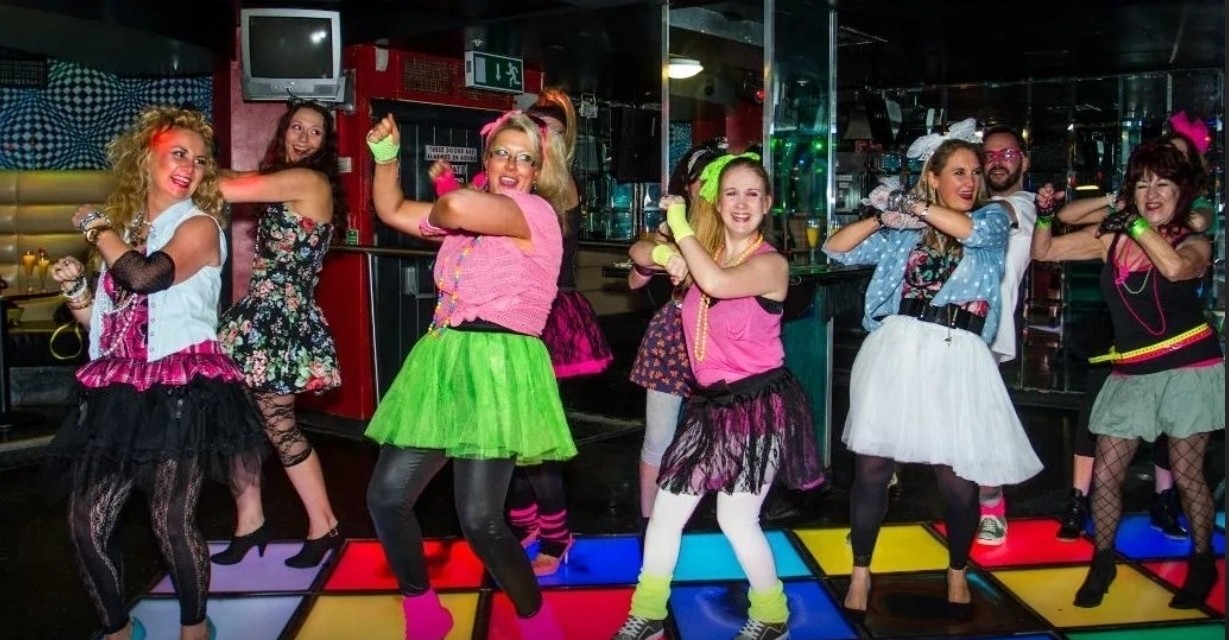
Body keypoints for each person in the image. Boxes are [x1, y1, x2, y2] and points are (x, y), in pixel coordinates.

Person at [43, 106, 266, 640]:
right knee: (87, 524)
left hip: (178, 390)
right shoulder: (125, 232)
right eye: (178, 153)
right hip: (119, 390)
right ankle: (118, 629)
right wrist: (76, 292)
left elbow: (144, 278)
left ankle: (194, 628)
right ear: (146, 158)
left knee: (170, 520)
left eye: (200, 160)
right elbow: (106, 324)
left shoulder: (199, 226)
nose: (190, 166)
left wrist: (95, 226)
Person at [363, 110, 575, 640]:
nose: (512, 166)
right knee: (387, 497)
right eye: (502, 153)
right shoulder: (470, 225)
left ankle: (538, 624)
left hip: (498, 367)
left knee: (480, 519)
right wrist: (387, 157)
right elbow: (390, 209)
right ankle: (423, 610)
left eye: (525, 159)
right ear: (487, 160)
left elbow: (454, 205)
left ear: (537, 172)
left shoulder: (533, 212)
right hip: (443, 361)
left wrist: (444, 208)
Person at [824, 129, 1043, 622]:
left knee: (958, 481)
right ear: (935, 178)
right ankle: (860, 572)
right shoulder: (906, 231)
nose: (970, 181)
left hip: (958, 357)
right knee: (872, 470)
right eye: (958, 172)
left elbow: (970, 233)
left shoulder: (992, 218)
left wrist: (913, 205)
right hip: (898, 348)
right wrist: (882, 217)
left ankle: (957, 570)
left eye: (975, 172)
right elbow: (837, 249)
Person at [612, 154, 823, 640]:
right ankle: (649, 613)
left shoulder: (770, 264)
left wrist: (681, 231)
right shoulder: (703, 256)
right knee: (666, 512)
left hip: (758, 407)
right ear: (717, 202)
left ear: (767, 204)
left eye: (752, 194)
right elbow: (639, 255)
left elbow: (717, 284)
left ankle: (771, 615)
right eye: (731, 193)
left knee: (737, 519)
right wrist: (663, 252)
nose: (741, 203)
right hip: (709, 407)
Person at [1031, 139, 1222, 609]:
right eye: (1142, 185)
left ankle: (1202, 563)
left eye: (1162, 184)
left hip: (1187, 366)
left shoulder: (1193, 240)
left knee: (1187, 472)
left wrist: (1135, 225)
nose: (1151, 194)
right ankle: (1102, 562)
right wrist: (1044, 215)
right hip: (1131, 369)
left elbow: (1175, 269)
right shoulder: (1112, 239)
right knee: (1107, 471)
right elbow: (1045, 250)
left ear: (1181, 192)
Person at [212, 99, 347, 568]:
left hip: (280, 320)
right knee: (240, 420)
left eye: (315, 132)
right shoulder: (286, 178)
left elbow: (228, 188)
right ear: (284, 131)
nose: (303, 138)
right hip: (258, 317)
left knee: (279, 424)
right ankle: (250, 523)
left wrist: (182, 161)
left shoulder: (307, 180)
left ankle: (325, 524)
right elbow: (236, 177)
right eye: (297, 128)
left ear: (325, 144)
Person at [501, 88, 613, 575]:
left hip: (550, 316)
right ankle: (526, 522)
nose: (546, 140)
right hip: (508, 314)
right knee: (508, 432)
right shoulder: (513, 183)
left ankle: (555, 534)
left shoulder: (558, 190)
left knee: (536, 432)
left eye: (554, 134)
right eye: (538, 131)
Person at [626, 138, 726, 535]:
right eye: (701, 179)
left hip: (723, 340)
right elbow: (636, 275)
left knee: (722, 433)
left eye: (716, 177)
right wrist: (659, 256)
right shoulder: (673, 226)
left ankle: (719, 519)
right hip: (674, 336)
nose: (708, 186)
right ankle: (648, 521)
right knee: (659, 437)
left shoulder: (736, 226)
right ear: (688, 185)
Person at [974, 124, 1041, 546]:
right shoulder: (967, 204)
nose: (998, 162)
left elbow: (992, 219)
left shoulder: (1023, 206)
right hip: (946, 324)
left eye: (1009, 154)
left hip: (989, 331)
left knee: (983, 418)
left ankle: (992, 504)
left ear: (1025, 162)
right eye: (990, 155)